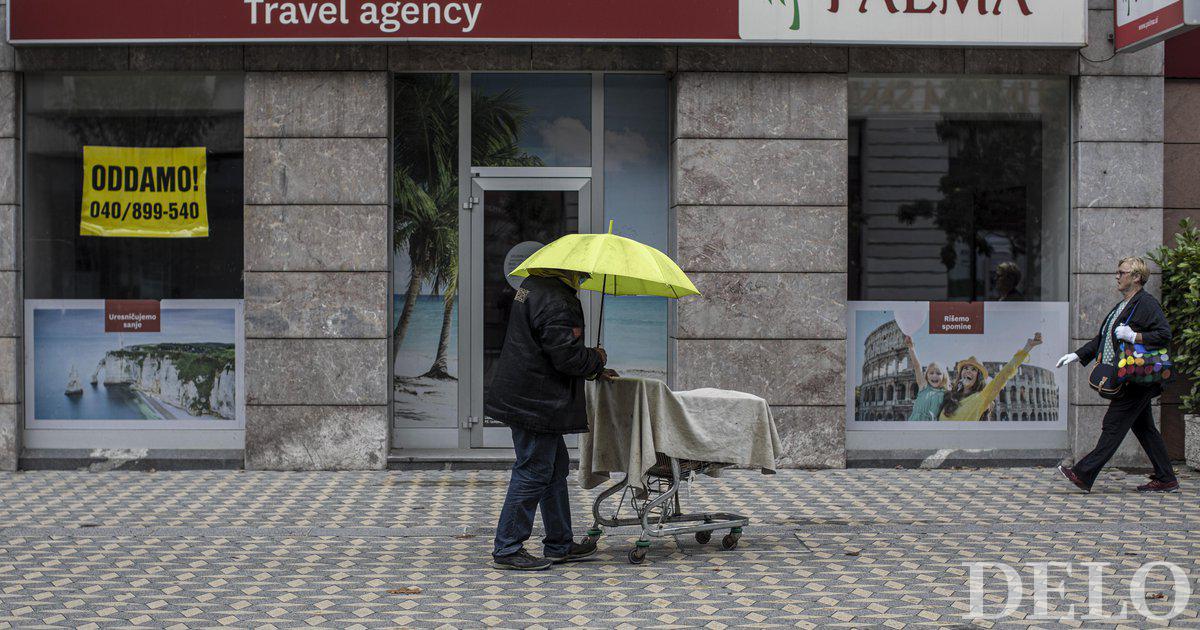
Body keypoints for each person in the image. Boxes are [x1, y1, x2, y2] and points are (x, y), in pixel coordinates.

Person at [485, 268, 618, 570]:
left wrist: (593, 369)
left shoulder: (532, 286)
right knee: (533, 471)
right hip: (536, 401)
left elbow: (546, 346)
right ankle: (507, 547)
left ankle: (559, 543)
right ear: (568, 270)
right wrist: (597, 357)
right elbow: (565, 357)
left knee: (554, 469)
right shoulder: (558, 300)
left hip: (526, 394)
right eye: (581, 273)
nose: (584, 277)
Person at [1055, 256, 1178, 493]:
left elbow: (1164, 334)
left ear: (1136, 277)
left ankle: (1083, 474)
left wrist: (1135, 337)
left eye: (1122, 272)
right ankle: (1166, 478)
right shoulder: (1123, 304)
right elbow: (1102, 338)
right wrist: (1077, 355)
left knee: (1113, 424)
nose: (1117, 276)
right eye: (1118, 272)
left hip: (1137, 379)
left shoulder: (1146, 303)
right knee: (1144, 428)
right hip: (1128, 377)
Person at [939, 333, 1043, 421]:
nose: (968, 371)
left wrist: (1027, 348)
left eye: (973, 369)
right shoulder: (949, 395)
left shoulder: (981, 398)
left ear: (978, 377)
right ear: (961, 373)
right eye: (965, 368)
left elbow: (1003, 375)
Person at [903, 335, 946, 421]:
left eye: (938, 373)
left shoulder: (945, 393)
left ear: (944, 377)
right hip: (914, 424)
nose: (934, 375)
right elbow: (917, 366)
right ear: (926, 376)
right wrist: (911, 347)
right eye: (931, 373)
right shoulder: (923, 386)